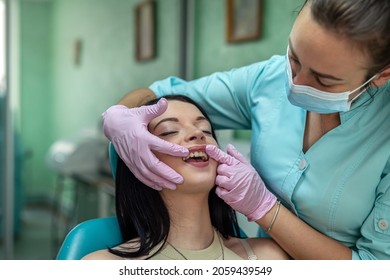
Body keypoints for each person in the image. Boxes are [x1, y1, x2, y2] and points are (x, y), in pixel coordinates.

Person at [102, 0, 390, 260]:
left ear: (382, 75)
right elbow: (155, 97)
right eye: (295, 58)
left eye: (323, 80)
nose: (295, 81)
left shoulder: (263, 257)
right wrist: (118, 117)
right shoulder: (268, 79)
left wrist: (266, 210)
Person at [83, 95, 289, 260]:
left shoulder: (267, 257)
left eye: (206, 130)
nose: (197, 134)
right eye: (169, 131)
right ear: (138, 160)